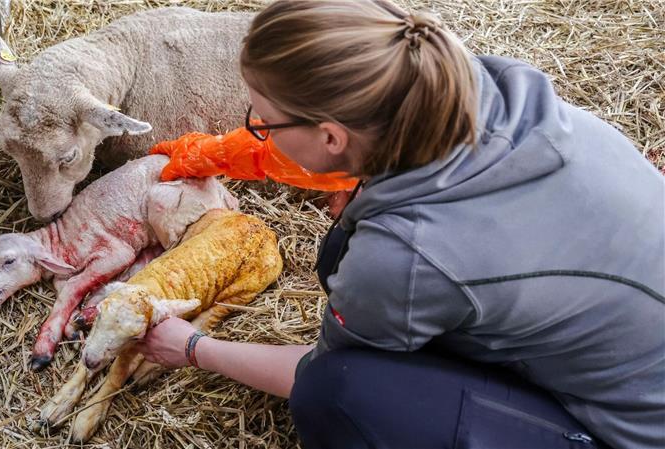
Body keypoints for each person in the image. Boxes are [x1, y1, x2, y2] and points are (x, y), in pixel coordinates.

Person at [136, 1, 665, 448]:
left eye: (264, 123)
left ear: (331, 138)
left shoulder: (407, 255)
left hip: (634, 431)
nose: (260, 135)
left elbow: (308, 368)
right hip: (623, 348)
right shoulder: (508, 98)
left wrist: (193, 348)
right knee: (342, 251)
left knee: (338, 391)